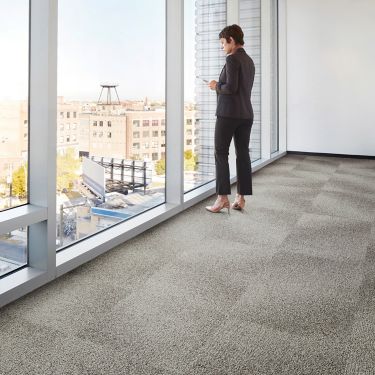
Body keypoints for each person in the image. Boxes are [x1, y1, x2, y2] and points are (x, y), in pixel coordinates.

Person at [205, 24, 255, 214]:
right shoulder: (249, 61)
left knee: (221, 153)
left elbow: (231, 88)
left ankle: (222, 198)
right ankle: (241, 199)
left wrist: (216, 85)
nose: (222, 47)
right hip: (246, 114)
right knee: (243, 154)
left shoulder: (232, 59)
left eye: (223, 43)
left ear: (232, 41)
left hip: (228, 115)